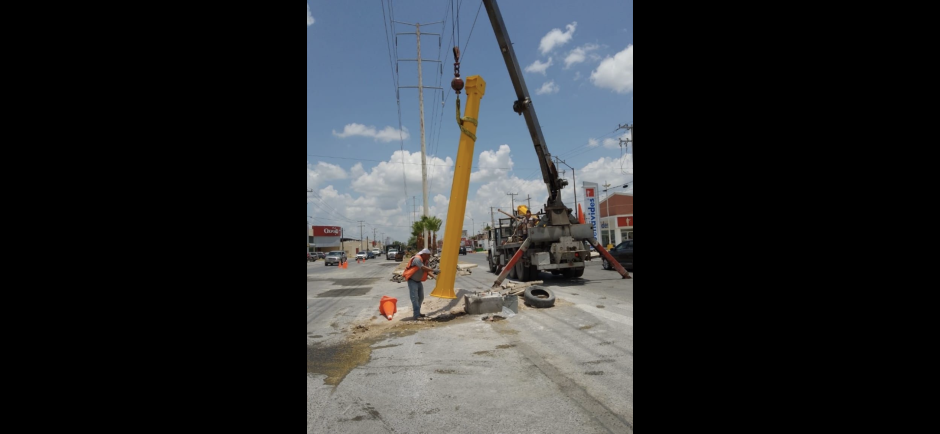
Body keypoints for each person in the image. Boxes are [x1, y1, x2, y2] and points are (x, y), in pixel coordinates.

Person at [406, 248, 437, 320]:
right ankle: (416, 315)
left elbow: (427, 271)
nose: (429, 257)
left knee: (421, 297)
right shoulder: (417, 259)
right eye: (428, 255)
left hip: (418, 281)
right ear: (424, 255)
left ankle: (418, 313)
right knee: (415, 298)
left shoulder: (426, 261)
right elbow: (423, 267)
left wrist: (435, 277)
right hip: (412, 281)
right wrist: (434, 270)